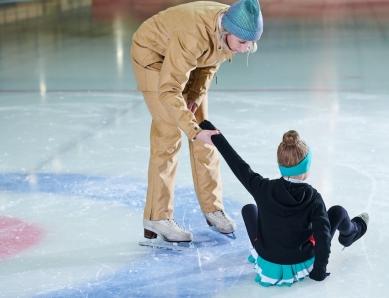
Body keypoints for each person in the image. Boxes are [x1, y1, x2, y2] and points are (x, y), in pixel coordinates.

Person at [130, 0, 263, 242]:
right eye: (242, 42)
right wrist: (191, 130)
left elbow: (211, 62)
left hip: (184, 58)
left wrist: (195, 95)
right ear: (226, 31)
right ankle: (156, 217)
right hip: (153, 54)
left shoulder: (230, 28)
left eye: (251, 43)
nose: (245, 48)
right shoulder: (194, 35)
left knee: (207, 133)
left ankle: (212, 208)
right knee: (168, 132)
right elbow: (169, 89)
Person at [199, 120, 369, 286]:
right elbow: (322, 237)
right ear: (306, 167)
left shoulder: (262, 188)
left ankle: (271, 249)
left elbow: (237, 163)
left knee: (249, 209)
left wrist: (216, 136)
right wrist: (319, 271)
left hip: (267, 257)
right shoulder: (313, 198)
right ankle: (352, 232)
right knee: (338, 212)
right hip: (301, 259)